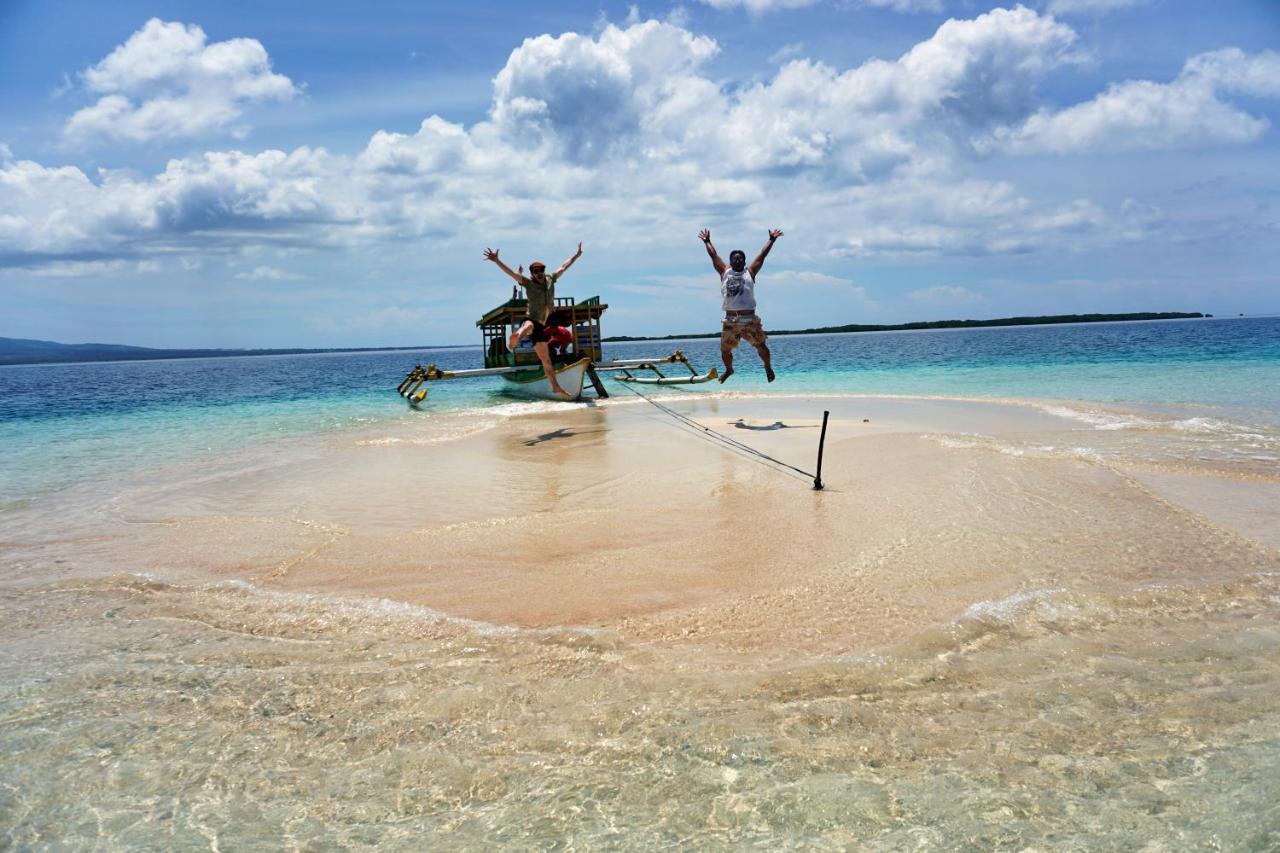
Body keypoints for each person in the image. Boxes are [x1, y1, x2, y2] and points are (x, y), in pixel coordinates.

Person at [483, 243, 583, 398]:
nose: (539, 273)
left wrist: (576, 255)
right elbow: (511, 273)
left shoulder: (551, 279)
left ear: (544, 271)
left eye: (541, 270)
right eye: (535, 272)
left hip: (542, 326)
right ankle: (518, 334)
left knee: (546, 361)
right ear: (532, 274)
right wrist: (497, 261)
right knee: (528, 325)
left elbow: (564, 266)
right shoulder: (528, 283)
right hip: (532, 319)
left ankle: (555, 387)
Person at [698, 228, 782, 383]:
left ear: (744, 261)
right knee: (725, 350)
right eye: (734, 259)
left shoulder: (750, 272)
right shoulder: (725, 272)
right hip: (730, 320)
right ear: (730, 262)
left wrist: (772, 240)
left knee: (761, 346)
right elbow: (714, 256)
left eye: (740, 259)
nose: (737, 261)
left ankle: (768, 366)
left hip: (749, 319)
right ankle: (729, 370)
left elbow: (762, 256)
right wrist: (707, 241)